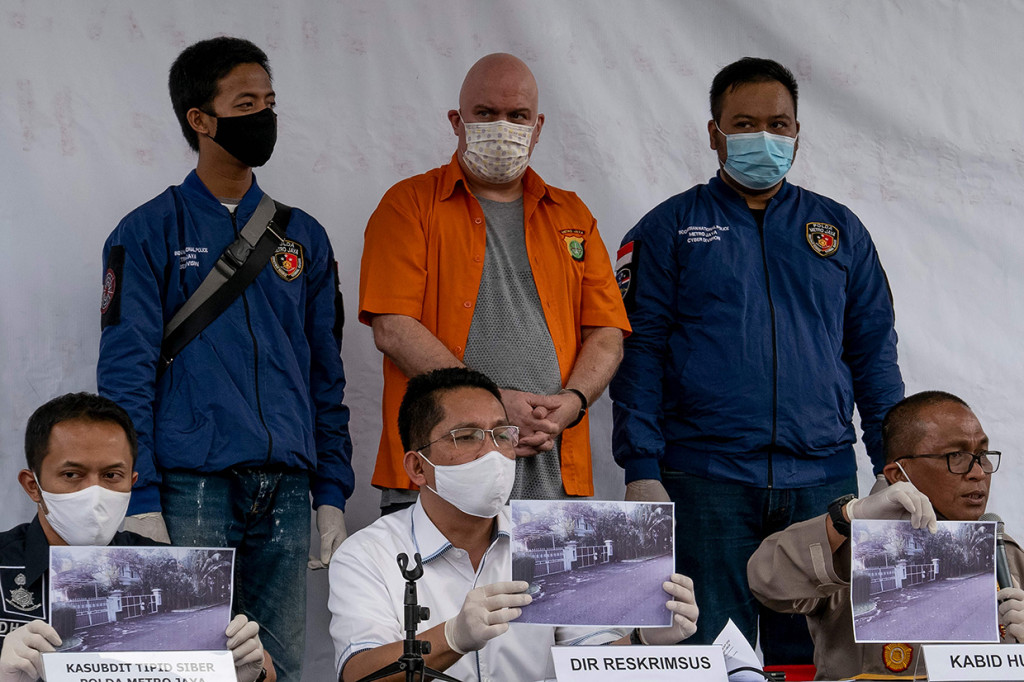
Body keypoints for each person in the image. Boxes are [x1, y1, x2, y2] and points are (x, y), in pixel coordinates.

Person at [610, 56, 904, 660]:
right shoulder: (669, 228)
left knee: (824, 656)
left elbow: (874, 353)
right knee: (712, 653)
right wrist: (640, 467)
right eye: (744, 124)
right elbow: (636, 352)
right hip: (704, 482)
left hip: (822, 482)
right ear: (714, 132)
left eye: (778, 124)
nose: (763, 138)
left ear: (797, 133)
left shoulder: (839, 231)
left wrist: (891, 464)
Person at [96, 37, 353, 681]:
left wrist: (330, 490)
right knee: (187, 665)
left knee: (283, 666)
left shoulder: (304, 236)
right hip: (191, 485)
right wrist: (140, 494)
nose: (264, 116)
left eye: (270, 101)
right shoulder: (147, 230)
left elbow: (327, 373)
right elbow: (124, 375)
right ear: (200, 119)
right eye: (246, 103)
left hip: (289, 489)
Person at [359, 53, 629, 513]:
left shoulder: (573, 216)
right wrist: (492, 406)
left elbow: (606, 333)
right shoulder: (408, 205)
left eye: (517, 116)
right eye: (485, 114)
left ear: (537, 125)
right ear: (456, 120)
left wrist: (574, 401)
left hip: (552, 481)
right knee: (436, 589)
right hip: (439, 478)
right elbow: (393, 326)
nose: (503, 126)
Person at [328, 368, 698, 682]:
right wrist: (452, 637)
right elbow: (358, 671)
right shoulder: (367, 554)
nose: (492, 453)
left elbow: (587, 663)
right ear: (418, 467)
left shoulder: (541, 532)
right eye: (467, 436)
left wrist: (641, 640)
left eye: (502, 435)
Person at [748, 391, 1024, 679]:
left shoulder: (1004, 554)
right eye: (956, 456)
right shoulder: (853, 543)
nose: (978, 472)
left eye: (981, 455)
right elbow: (765, 579)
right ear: (899, 474)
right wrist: (848, 518)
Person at [0, 393, 269, 682]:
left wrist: (245, 675)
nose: (94, 493)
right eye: (71, 474)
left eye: (112, 475)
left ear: (132, 482)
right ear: (33, 486)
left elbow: (265, 669)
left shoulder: (161, 558)